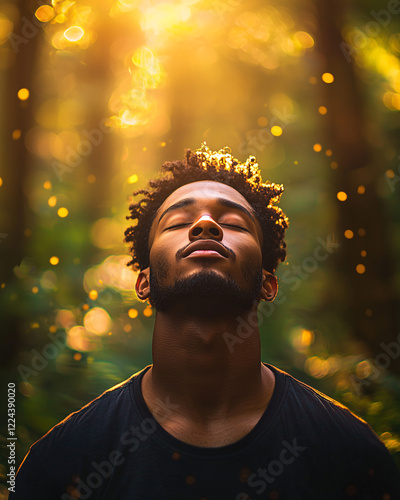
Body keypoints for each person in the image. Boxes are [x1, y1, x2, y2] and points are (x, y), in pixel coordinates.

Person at [10, 144, 400, 499]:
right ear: (143, 281)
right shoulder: (60, 466)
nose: (206, 225)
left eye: (233, 223)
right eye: (179, 222)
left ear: (267, 283)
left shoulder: (349, 455)